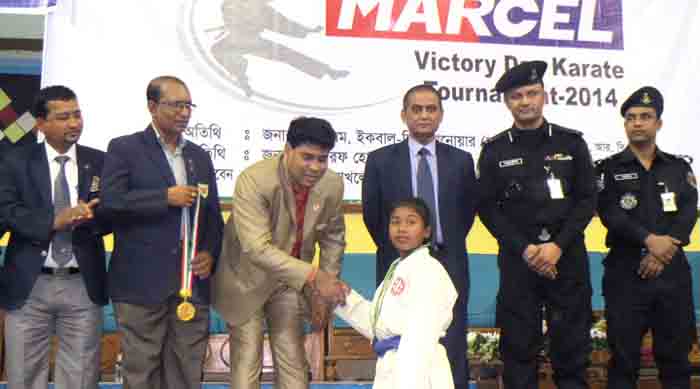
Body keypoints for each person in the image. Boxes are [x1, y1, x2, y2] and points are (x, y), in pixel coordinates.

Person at [477, 61, 596, 389]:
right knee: (518, 354)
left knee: (572, 353)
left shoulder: (572, 144)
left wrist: (557, 246)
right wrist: (526, 249)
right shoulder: (494, 150)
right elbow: (488, 208)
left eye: (532, 93)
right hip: (519, 263)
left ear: (545, 96)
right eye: (517, 96)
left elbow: (587, 200)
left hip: (567, 260)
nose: (525, 101)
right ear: (507, 102)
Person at [100, 76, 224, 389]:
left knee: (187, 371)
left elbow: (211, 217)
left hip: (189, 285)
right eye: (176, 105)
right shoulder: (125, 148)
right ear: (152, 107)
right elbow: (111, 204)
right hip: (140, 283)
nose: (184, 112)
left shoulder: (199, 156)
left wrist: (209, 253)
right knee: (141, 372)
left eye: (188, 105)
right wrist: (163, 198)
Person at [212, 116, 347, 389]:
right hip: (244, 279)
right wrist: (313, 275)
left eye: (322, 159)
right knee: (247, 361)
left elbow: (333, 237)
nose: (315, 167)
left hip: (288, 283)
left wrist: (324, 287)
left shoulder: (331, 184)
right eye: (307, 157)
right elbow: (256, 248)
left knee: (294, 363)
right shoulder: (254, 180)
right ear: (287, 150)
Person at [362, 83, 477, 389]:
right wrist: (406, 251)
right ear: (404, 115)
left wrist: (438, 245)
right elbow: (373, 217)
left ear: (440, 115)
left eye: (431, 109)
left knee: (450, 346)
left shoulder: (462, 161)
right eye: (417, 109)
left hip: (449, 263)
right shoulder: (380, 160)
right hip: (398, 264)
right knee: (401, 347)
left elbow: (464, 216)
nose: (424, 115)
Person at [0, 85, 109, 389]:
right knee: (23, 375)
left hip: (82, 283)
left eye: (77, 114)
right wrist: (54, 221)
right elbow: (7, 212)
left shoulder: (100, 161)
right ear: (41, 124)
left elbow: (114, 214)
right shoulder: (15, 161)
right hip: (29, 285)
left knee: (81, 377)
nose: (74, 123)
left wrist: (94, 218)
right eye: (63, 117)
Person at [596, 86, 697, 389]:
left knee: (676, 360)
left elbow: (689, 210)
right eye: (631, 117)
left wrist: (663, 249)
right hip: (626, 275)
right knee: (623, 362)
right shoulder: (608, 169)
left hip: (671, 273)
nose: (637, 122)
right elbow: (610, 213)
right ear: (625, 124)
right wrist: (648, 241)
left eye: (645, 116)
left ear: (658, 123)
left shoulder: (679, 167)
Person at [336, 197, 457, 389]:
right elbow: (380, 326)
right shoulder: (397, 268)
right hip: (393, 365)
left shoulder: (430, 271)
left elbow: (420, 337)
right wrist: (342, 299)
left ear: (426, 231)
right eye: (395, 222)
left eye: (411, 222)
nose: (402, 228)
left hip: (418, 371)